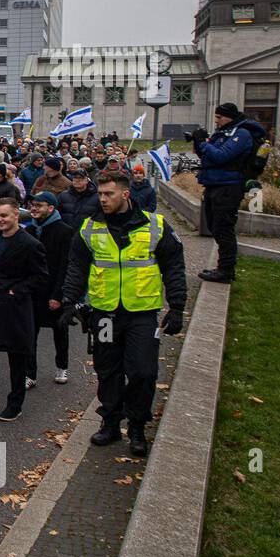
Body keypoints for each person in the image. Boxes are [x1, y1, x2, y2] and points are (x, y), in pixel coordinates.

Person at [61, 170, 187, 457]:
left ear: (125, 194)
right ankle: (111, 422)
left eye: (109, 194)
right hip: (104, 315)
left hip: (140, 313)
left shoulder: (155, 226)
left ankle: (138, 426)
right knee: (107, 369)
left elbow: (174, 267)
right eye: (100, 194)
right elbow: (77, 267)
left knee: (142, 371)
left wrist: (177, 306)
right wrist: (68, 300)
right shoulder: (89, 228)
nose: (102, 199)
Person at [0, 198, 48, 422]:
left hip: (14, 307)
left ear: (16, 215)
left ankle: (15, 404)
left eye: (4, 215)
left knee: (17, 356)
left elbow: (41, 277)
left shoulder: (30, 244)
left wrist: (18, 290)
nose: (0, 220)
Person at [194, 101, 266, 284]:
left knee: (223, 228)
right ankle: (223, 267)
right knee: (214, 226)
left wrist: (204, 143)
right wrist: (199, 142)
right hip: (214, 184)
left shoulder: (241, 134)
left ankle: (226, 270)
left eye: (219, 117)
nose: (216, 121)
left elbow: (221, 156)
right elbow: (208, 156)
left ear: (229, 117)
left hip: (228, 186)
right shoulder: (224, 133)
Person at [25, 192, 73, 388]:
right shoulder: (28, 230)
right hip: (32, 292)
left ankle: (62, 367)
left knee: (60, 331)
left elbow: (66, 266)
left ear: (51, 208)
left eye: (39, 205)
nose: (34, 208)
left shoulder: (65, 231)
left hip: (54, 291)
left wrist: (58, 295)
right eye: (32, 205)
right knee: (29, 334)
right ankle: (30, 374)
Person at [57, 168, 100, 235]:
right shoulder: (63, 196)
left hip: (88, 235)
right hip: (67, 234)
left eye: (81, 178)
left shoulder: (97, 197)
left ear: (87, 180)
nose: (77, 180)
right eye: (75, 178)